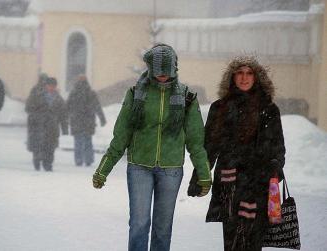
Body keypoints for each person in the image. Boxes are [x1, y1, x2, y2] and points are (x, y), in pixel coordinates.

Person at [92, 44, 212, 251]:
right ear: (150, 69)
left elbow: (195, 141)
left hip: (171, 170)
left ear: (174, 69)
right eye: (159, 71)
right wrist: (103, 169)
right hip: (139, 167)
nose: (163, 76)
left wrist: (204, 174)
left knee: (163, 228)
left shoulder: (187, 98)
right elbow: (121, 135)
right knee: (139, 225)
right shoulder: (136, 94)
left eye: (167, 70)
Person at [189, 56, 286, 251]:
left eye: (249, 73)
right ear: (232, 77)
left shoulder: (268, 109)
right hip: (230, 185)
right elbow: (209, 147)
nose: (244, 77)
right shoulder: (220, 108)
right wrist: (198, 177)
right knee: (232, 239)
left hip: (259, 183)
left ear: (257, 77)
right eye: (239, 73)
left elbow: (278, 146)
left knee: (253, 240)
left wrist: (275, 166)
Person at [25, 77, 68, 171]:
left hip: (52, 127)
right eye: (50, 86)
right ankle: (37, 161)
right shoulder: (37, 96)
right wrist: (36, 116)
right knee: (38, 145)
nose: (52, 88)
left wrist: (65, 129)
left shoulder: (59, 99)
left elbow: (63, 115)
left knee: (50, 147)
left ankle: (48, 164)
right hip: (38, 125)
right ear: (46, 86)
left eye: (53, 86)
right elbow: (28, 108)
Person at [67, 75, 106, 166]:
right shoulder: (91, 93)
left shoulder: (73, 93)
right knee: (88, 141)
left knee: (78, 141)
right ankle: (88, 159)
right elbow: (97, 106)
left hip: (76, 121)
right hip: (88, 121)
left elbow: (67, 107)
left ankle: (78, 159)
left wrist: (65, 118)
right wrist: (102, 118)